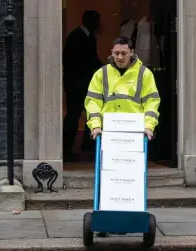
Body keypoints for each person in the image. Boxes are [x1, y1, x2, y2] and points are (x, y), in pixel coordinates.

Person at [84, 36, 161, 237]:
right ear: (111, 52)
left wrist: (149, 127)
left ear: (132, 52)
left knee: (131, 177)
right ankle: (105, 217)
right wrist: (95, 126)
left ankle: (129, 216)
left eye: (124, 53)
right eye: (116, 53)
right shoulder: (101, 74)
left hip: (134, 135)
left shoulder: (144, 74)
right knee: (107, 176)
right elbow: (92, 102)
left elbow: (152, 103)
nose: (119, 57)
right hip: (108, 134)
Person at [62, 9, 103, 161]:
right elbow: (70, 60)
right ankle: (66, 149)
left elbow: (93, 58)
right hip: (75, 83)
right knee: (73, 114)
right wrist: (77, 79)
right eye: (96, 21)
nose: (99, 25)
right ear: (89, 21)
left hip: (86, 82)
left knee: (91, 112)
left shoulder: (90, 37)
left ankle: (87, 144)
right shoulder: (75, 36)